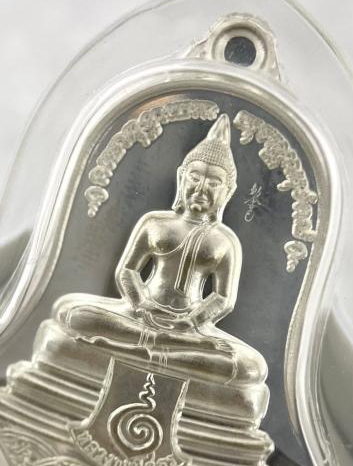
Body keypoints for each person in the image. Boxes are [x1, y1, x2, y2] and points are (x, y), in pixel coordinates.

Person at [52, 114, 267, 388]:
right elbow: (128, 270)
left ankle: (141, 348)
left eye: (214, 183)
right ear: (181, 177)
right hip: (140, 314)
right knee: (73, 313)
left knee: (251, 367)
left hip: (189, 328)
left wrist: (191, 321)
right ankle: (165, 351)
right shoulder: (154, 223)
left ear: (228, 191)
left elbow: (222, 298)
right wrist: (140, 304)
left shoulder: (224, 241)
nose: (202, 187)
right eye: (195, 177)